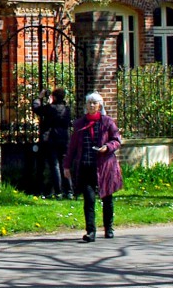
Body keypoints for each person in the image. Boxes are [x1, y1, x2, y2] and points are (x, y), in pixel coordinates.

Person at [66, 92, 123, 243]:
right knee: (89, 200)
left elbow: (117, 140)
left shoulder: (107, 122)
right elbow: (72, 147)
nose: (91, 106)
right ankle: (91, 231)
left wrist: (107, 147)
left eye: (94, 103)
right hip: (86, 166)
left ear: (100, 106)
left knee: (107, 198)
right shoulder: (79, 124)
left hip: (105, 167)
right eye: (89, 103)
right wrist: (67, 166)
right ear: (86, 105)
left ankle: (108, 228)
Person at [34, 87, 72, 196]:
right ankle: (69, 190)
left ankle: (58, 190)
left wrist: (39, 98)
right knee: (65, 164)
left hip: (52, 138)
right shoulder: (67, 109)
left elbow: (37, 109)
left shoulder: (50, 108)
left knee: (54, 165)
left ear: (54, 97)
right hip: (64, 138)